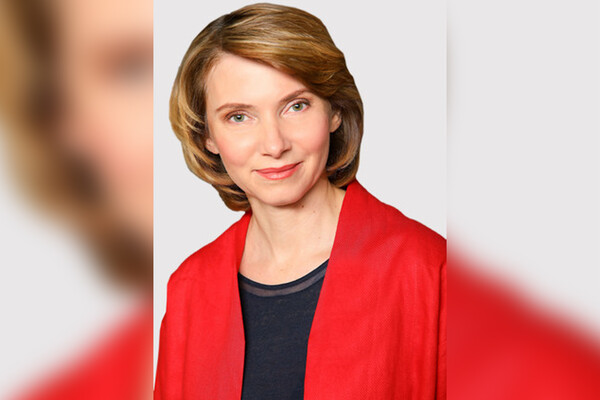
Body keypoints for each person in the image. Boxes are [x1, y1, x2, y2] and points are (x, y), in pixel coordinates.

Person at [154, 3, 446, 400]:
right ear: (207, 136)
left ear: (334, 112)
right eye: (239, 116)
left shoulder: (428, 269)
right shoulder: (190, 289)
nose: (274, 145)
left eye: (296, 106)